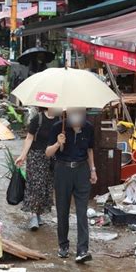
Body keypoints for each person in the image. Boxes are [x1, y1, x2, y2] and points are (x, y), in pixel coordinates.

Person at [46, 108, 97, 263]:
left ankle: (82, 250)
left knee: (82, 211)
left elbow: (89, 150)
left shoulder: (88, 127)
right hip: (62, 170)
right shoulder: (57, 127)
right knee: (63, 210)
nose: (77, 115)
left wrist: (93, 170)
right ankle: (63, 246)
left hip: (82, 170)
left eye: (80, 111)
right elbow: (48, 153)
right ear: (67, 113)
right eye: (74, 111)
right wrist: (57, 143)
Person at [15, 108, 60, 230]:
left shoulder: (60, 120)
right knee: (35, 185)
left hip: (51, 157)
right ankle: (33, 215)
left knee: (46, 186)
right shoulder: (38, 119)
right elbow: (29, 138)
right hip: (36, 156)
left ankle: (39, 214)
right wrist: (23, 155)